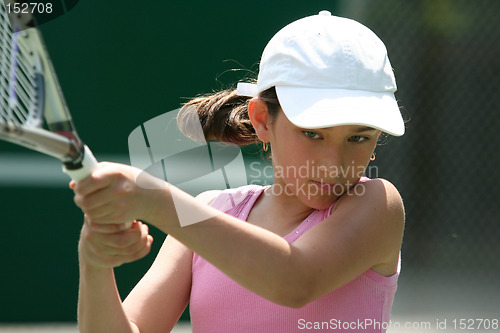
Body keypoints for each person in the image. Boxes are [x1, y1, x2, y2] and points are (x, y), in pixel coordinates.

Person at [72, 10, 406, 333]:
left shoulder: (378, 204)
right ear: (262, 120)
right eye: (312, 133)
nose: (334, 164)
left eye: (358, 137)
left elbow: (295, 281)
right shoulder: (209, 213)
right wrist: (94, 263)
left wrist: (158, 202)